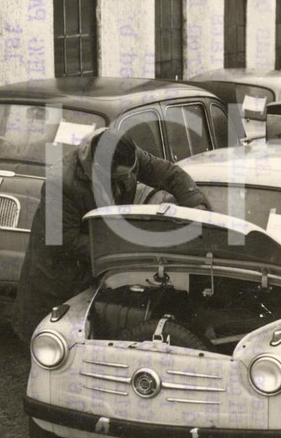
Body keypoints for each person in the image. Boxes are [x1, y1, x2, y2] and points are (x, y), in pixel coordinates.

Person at [14, 127, 210, 340]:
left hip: (98, 264)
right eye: (120, 177)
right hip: (57, 273)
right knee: (53, 339)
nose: (129, 177)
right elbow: (64, 241)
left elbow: (169, 174)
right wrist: (121, 245)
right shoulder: (61, 182)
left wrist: (196, 207)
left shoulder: (125, 152)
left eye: (131, 172)